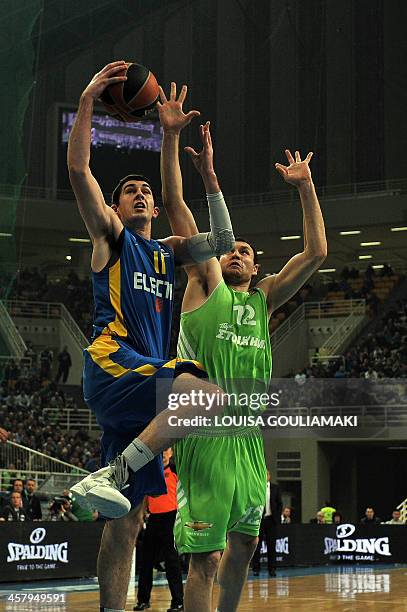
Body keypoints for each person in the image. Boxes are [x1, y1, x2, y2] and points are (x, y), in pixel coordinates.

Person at [67, 65, 234, 612]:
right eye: (128, 191)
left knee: (127, 522)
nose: (138, 194)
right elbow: (78, 170)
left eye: (145, 191)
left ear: (156, 208)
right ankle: (115, 471)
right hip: (113, 363)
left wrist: (189, 156)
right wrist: (90, 97)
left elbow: (225, 240)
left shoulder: (169, 251)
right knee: (206, 395)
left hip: (139, 397)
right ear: (116, 209)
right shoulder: (111, 240)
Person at [159, 122, 326, 609]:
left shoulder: (264, 298)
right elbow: (176, 206)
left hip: (249, 443)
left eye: (246, 252)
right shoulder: (205, 281)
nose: (236, 253)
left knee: (245, 546)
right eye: (232, 247)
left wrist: (306, 187)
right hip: (207, 438)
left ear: (256, 269)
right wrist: (194, 162)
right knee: (205, 558)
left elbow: (316, 252)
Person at [134, 449, 183, 612]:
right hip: (154, 518)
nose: (162, 454)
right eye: (160, 451)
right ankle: (143, 600)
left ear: (171, 453)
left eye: (166, 450)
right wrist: (141, 515)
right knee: (146, 561)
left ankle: (178, 602)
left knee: (172, 562)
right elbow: (143, 495)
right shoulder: (150, 471)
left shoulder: (177, 470)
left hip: (172, 518)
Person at [252, 470, 282, 577]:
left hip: (271, 520)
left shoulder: (275, 488)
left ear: (269, 476)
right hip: (259, 520)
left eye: (267, 474)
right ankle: (256, 568)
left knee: (271, 545)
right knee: (257, 545)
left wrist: (277, 518)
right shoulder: (256, 487)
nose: (265, 476)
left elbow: (279, 504)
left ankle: (272, 569)